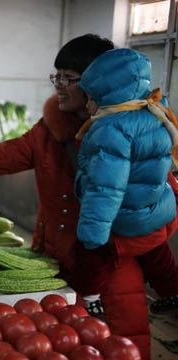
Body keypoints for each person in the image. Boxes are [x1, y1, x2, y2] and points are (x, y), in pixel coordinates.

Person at [0, 34, 162, 359]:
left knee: (120, 346)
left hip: (114, 274)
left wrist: (114, 247)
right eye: (56, 76)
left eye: (69, 78)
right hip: (54, 267)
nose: (59, 86)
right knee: (57, 348)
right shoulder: (48, 133)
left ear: (97, 83)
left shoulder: (138, 135)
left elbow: (159, 210)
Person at [74, 48, 178, 314]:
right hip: (154, 210)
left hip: (124, 216)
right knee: (156, 251)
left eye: (90, 98)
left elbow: (105, 187)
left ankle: (91, 301)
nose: (87, 106)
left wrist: (93, 233)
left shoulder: (110, 130)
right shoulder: (155, 114)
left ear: (109, 96)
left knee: (90, 254)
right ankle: (172, 291)